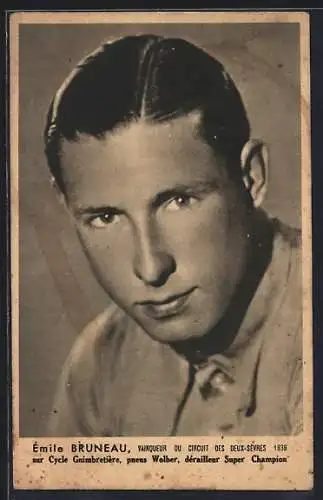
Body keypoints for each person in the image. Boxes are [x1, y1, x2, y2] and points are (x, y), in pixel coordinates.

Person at [44, 34, 302, 436]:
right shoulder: (101, 362)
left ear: (251, 177)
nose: (150, 268)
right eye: (106, 217)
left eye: (179, 201)